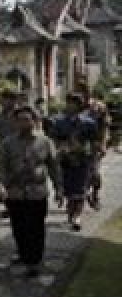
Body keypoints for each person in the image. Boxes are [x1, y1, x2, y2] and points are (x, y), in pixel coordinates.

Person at [0, 106, 62, 277]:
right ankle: (24, 255)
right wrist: (0, 186)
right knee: (19, 227)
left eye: (27, 119)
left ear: (34, 121)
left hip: (37, 192)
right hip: (15, 192)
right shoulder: (7, 143)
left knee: (36, 227)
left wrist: (59, 188)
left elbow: (54, 166)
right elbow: (0, 166)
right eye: (20, 119)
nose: (24, 123)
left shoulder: (45, 142)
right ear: (15, 122)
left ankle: (34, 261)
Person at [50, 93, 98, 231]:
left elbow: (94, 143)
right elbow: (54, 141)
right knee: (69, 190)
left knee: (81, 189)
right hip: (65, 160)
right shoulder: (58, 122)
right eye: (69, 102)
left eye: (75, 103)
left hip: (83, 159)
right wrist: (60, 150)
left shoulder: (89, 122)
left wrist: (94, 161)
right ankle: (71, 214)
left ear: (80, 105)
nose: (71, 105)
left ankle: (77, 216)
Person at [79, 85, 112, 210]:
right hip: (80, 144)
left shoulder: (98, 107)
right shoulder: (76, 107)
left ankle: (94, 195)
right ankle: (78, 199)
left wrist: (103, 143)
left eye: (84, 93)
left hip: (95, 144)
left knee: (95, 172)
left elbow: (104, 126)